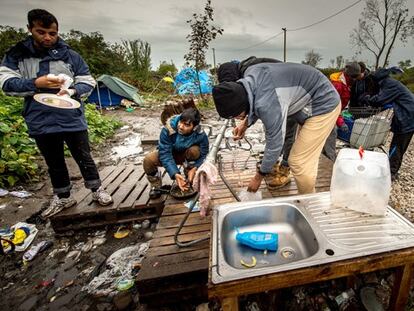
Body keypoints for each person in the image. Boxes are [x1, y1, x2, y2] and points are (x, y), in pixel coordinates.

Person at [0, 9, 112, 218]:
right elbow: (6, 84)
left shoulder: (70, 55)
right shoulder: (18, 55)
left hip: (71, 115)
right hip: (40, 117)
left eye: (52, 33)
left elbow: (87, 80)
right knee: (54, 161)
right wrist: (35, 83)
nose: (47, 38)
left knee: (83, 155)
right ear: (30, 30)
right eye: (41, 32)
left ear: (57, 31)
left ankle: (97, 189)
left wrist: (71, 90)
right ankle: (63, 197)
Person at [212, 62, 341, 194]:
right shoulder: (251, 74)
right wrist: (245, 124)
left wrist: (259, 176)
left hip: (323, 104)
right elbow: (255, 97)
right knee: (306, 159)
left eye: (238, 116)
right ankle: (306, 193)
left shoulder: (269, 103)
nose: (238, 119)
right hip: (306, 99)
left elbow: (275, 144)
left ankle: (308, 203)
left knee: (299, 162)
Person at [361, 67, 414, 181]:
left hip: (408, 117)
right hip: (407, 114)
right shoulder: (390, 83)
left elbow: (380, 100)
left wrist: (367, 98)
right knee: (399, 146)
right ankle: (392, 170)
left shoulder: (389, 85)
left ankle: (391, 173)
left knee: (397, 146)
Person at [143, 107, 209, 198]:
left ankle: (188, 174)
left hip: (186, 156)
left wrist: (194, 168)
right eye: (180, 122)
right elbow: (165, 154)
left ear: (194, 127)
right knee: (148, 160)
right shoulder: (169, 129)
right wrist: (175, 174)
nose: (181, 126)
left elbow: (204, 153)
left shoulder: (200, 134)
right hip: (170, 154)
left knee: (195, 151)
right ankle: (156, 186)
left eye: (186, 125)